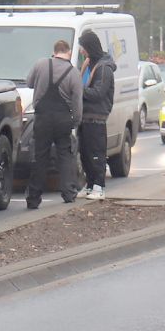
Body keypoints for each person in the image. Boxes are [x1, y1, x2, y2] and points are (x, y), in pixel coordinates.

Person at [25, 40, 84, 209]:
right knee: (65, 155)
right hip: (63, 119)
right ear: (68, 52)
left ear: (54, 51)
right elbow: (77, 102)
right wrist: (76, 121)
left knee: (40, 156)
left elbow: (29, 83)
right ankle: (68, 192)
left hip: (42, 117)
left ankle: (34, 198)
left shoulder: (41, 64)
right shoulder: (74, 73)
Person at [77, 30, 115, 200]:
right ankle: (90, 183)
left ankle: (99, 186)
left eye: (83, 47)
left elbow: (99, 93)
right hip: (84, 115)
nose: (81, 50)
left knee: (96, 153)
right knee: (84, 152)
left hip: (96, 116)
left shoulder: (104, 69)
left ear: (89, 47)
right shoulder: (88, 64)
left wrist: (79, 90)